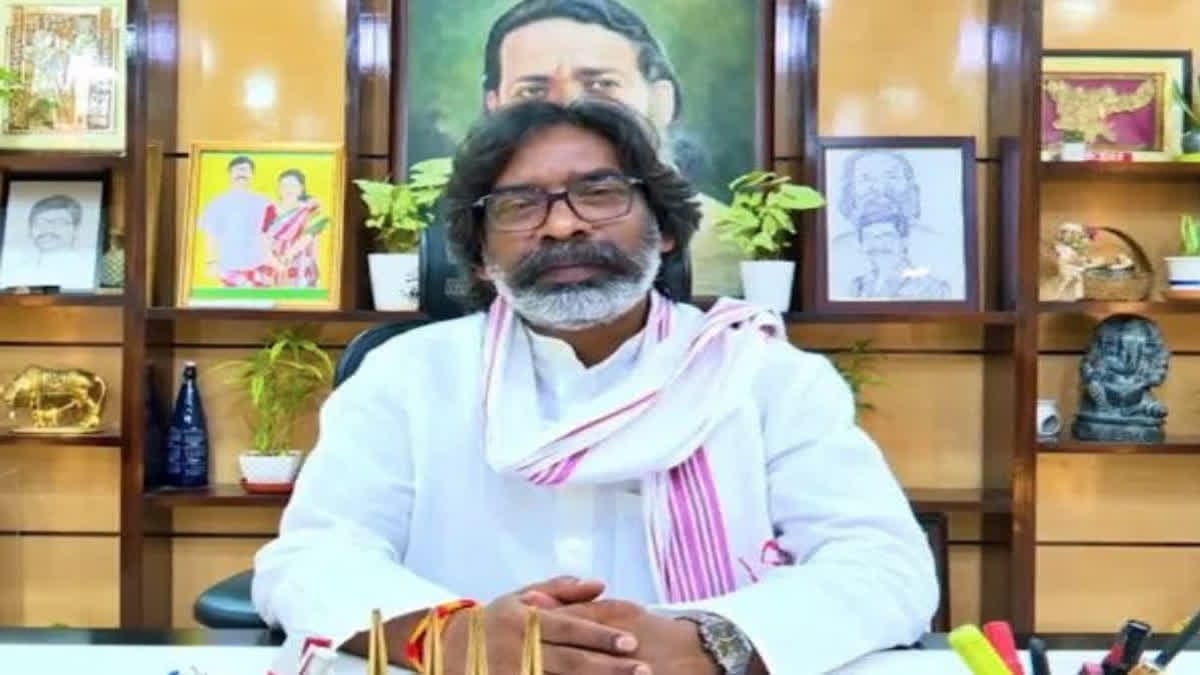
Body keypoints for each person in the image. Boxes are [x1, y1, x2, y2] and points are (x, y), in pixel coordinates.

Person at [252, 98, 937, 675]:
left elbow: (884, 566)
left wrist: (712, 640)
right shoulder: (407, 376)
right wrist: (449, 637)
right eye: (520, 205)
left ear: (664, 231)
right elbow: (313, 557)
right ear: (482, 256)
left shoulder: (767, 377)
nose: (563, 224)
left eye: (601, 193)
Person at [474, 0, 745, 298]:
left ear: (661, 102)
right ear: (494, 107)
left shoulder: (725, 238)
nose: (567, 108)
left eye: (601, 85)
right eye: (532, 91)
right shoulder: (465, 227)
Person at [197, 155, 270, 286]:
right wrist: (211, 262)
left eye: (245, 170)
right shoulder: (217, 203)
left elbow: (270, 236)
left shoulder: (264, 202)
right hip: (227, 268)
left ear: (252, 175)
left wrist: (270, 262)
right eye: (237, 170)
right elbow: (211, 235)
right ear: (230, 174)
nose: (241, 174)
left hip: (259, 267)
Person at [260, 169, 327, 288]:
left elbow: (307, 237)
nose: (288, 189)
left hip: (300, 265)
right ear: (279, 188)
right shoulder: (269, 210)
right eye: (284, 186)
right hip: (271, 265)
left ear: (301, 188)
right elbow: (263, 238)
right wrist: (274, 262)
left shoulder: (312, 210)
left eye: (293, 186)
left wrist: (287, 257)